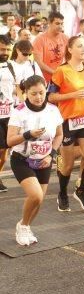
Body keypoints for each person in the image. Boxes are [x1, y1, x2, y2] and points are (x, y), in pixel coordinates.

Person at [48, 36, 84, 212]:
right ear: (70, 49)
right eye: (80, 46)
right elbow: (50, 97)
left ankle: (81, 191)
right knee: (68, 165)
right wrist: (72, 95)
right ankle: (62, 192)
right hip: (66, 121)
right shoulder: (61, 71)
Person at [7, 75, 63, 245]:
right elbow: (9, 141)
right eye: (33, 94)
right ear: (25, 93)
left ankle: (26, 226)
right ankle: (23, 226)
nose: (38, 97)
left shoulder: (53, 110)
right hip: (22, 159)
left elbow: (59, 135)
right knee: (35, 195)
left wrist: (51, 155)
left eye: (41, 92)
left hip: (44, 160)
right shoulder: (19, 111)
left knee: (39, 201)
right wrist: (27, 134)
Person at [32, 12, 69, 83]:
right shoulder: (39, 39)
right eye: (57, 23)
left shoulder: (65, 38)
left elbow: (70, 57)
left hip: (61, 79)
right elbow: (38, 62)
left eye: (62, 23)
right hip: (45, 80)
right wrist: (55, 73)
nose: (60, 26)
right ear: (49, 23)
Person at [0, 35, 16, 193]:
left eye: (7, 49)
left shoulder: (11, 66)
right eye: (2, 49)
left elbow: (17, 88)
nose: (5, 52)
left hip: (9, 114)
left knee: (5, 152)